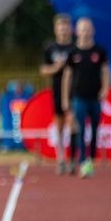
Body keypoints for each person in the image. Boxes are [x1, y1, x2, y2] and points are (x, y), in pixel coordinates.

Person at [62, 17, 110, 179]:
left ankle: (91, 159)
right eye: (83, 29)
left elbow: (105, 71)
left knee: (95, 129)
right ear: (77, 31)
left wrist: (105, 89)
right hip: (78, 97)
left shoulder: (99, 51)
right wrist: (65, 99)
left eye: (88, 29)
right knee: (81, 129)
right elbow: (67, 77)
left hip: (95, 97)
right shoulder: (72, 53)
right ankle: (83, 162)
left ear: (93, 30)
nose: (86, 32)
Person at [40, 14, 75, 174]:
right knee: (59, 124)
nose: (63, 29)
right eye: (60, 26)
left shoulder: (75, 48)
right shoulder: (50, 47)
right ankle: (60, 158)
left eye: (66, 26)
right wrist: (56, 67)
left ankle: (73, 159)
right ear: (55, 29)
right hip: (57, 89)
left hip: (75, 90)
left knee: (73, 124)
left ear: (70, 29)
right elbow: (43, 70)